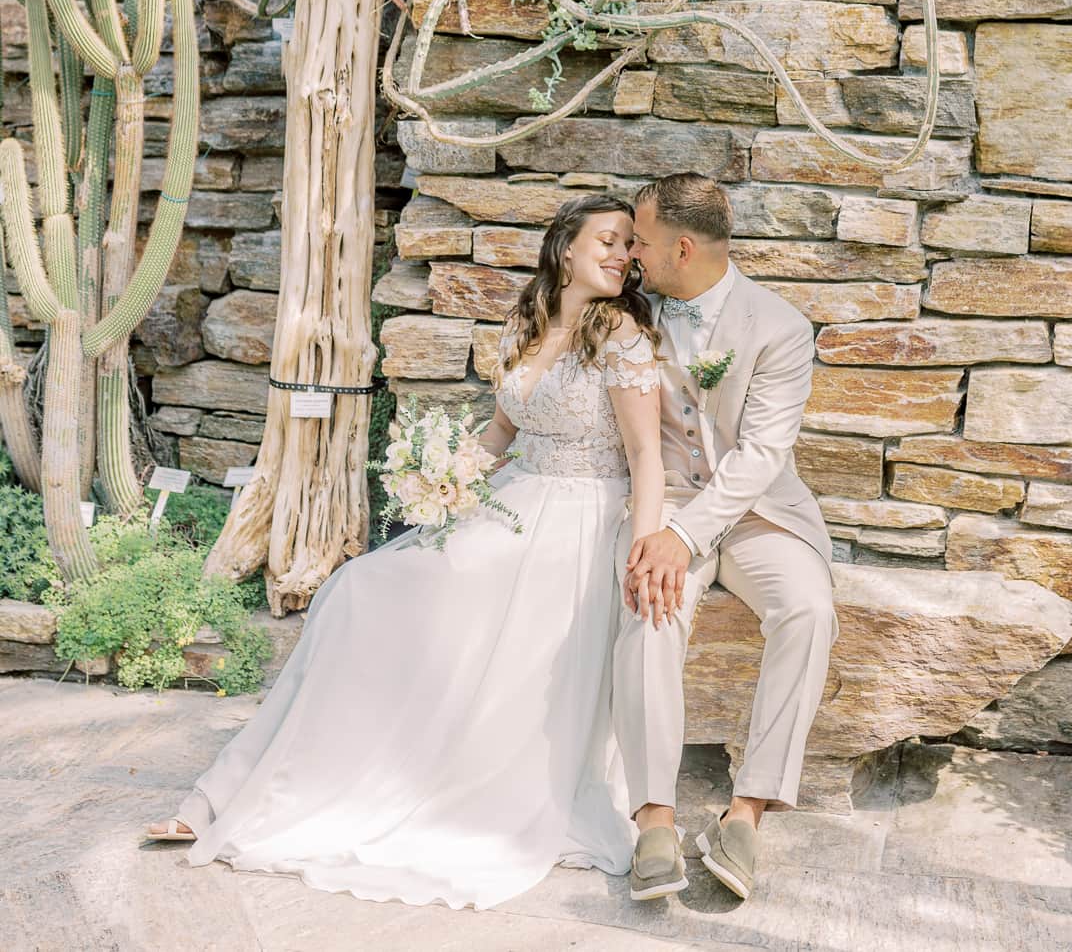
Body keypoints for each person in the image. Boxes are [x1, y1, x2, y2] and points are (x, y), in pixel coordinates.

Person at [144, 194, 666, 910]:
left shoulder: (623, 338)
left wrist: (643, 548)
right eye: (607, 239)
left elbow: (646, 455)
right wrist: (444, 481)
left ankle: (395, 775)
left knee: (427, 594)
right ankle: (229, 791)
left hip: (579, 520)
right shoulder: (529, 320)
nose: (621, 254)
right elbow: (499, 437)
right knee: (358, 589)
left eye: (629, 244)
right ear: (565, 248)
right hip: (515, 498)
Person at [616, 172, 836, 905]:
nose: (631, 251)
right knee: (651, 613)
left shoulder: (780, 326)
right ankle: (653, 818)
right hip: (665, 501)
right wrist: (661, 533)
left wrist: (685, 534)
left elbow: (762, 456)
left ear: (682, 246)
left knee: (809, 609)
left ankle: (746, 813)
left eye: (641, 240)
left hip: (757, 511)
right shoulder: (629, 307)